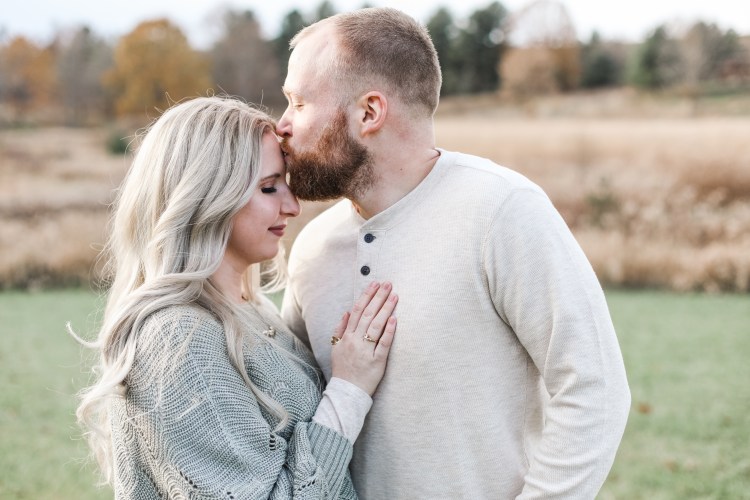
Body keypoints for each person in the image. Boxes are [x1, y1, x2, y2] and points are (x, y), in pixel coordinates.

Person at [277, 8, 631, 499]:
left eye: (298, 103)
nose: (282, 125)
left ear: (369, 112)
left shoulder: (502, 211)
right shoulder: (312, 249)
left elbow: (594, 387)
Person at [72, 96, 400, 499]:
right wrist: (349, 388)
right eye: (269, 187)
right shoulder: (176, 339)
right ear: (207, 197)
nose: (292, 205)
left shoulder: (252, 309)